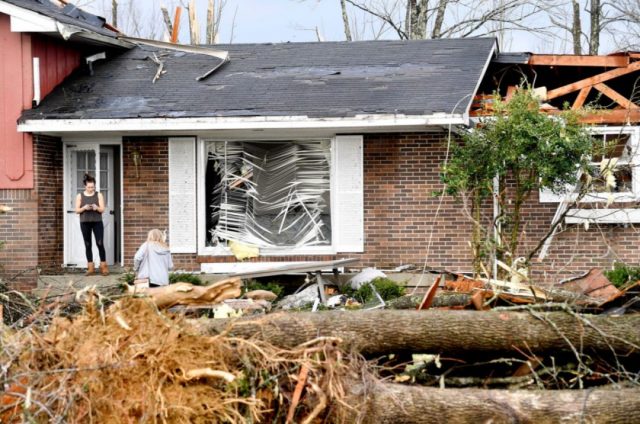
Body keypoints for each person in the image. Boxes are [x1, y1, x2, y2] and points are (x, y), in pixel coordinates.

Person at [75, 174, 108, 276]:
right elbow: (77, 210)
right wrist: (84, 208)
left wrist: (96, 208)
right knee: (88, 244)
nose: (91, 189)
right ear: (85, 186)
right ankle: (90, 268)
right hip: (85, 223)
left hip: (97, 222)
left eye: (92, 187)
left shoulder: (99, 195)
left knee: (100, 243)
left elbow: (102, 209)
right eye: (89, 187)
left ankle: (103, 266)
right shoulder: (80, 196)